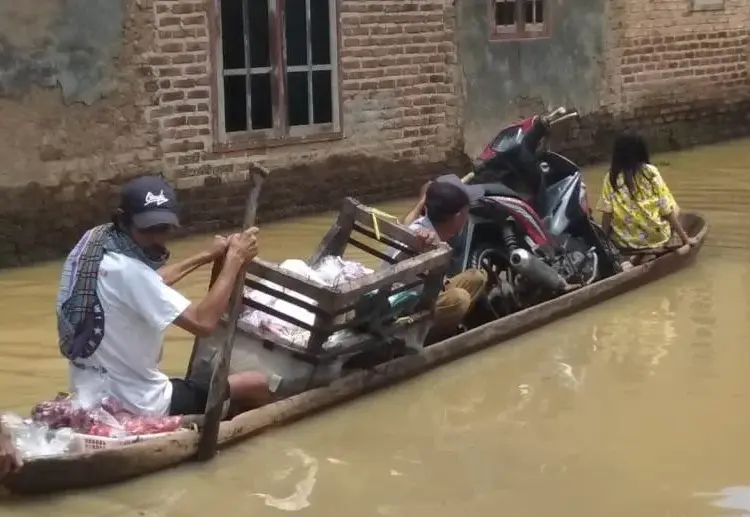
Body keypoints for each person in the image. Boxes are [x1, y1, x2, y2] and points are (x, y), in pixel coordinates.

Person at [57, 174, 270, 418]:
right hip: (140, 403)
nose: (157, 238)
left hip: (90, 393)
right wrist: (235, 260)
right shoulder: (129, 272)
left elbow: (151, 283)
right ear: (123, 220)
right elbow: (203, 323)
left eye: (163, 228)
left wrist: (206, 256)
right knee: (257, 383)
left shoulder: (93, 253)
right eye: (148, 230)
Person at [393, 174, 488, 342]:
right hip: (403, 311)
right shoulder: (426, 239)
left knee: (477, 277)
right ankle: (425, 339)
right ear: (459, 217)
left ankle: (448, 327)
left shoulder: (421, 225)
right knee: (460, 299)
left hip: (421, 294)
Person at [597, 131, 698, 262]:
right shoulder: (650, 172)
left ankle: (634, 255)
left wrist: (603, 245)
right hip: (656, 238)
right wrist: (685, 239)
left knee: (615, 218)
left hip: (625, 242)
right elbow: (666, 210)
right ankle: (657, 247)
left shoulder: (611, 177)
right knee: (674, 207)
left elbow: (606, 215)